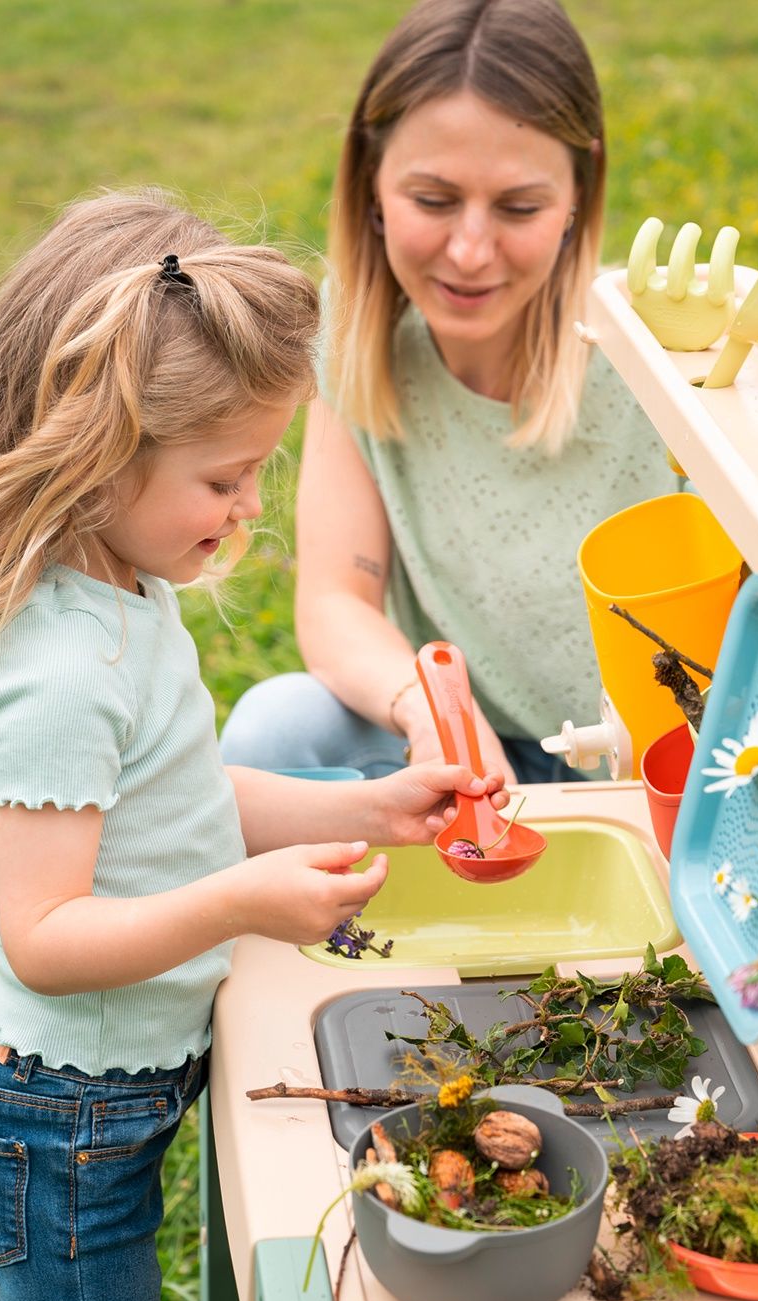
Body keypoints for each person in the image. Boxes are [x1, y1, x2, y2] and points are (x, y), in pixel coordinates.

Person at [0, 190, 501, 1301]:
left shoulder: (126, 589)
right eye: (222, 478)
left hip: (97, 1105)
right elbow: (46, 934)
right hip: (62, 1114)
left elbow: (186, 796)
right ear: (100, 454)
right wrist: (242, 900)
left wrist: (362, 805)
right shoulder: (62, 672)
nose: (250, 507)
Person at [218, 0, 674, 785]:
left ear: (579, 194)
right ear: (372, 182)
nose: (470, 250)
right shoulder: (359, 344)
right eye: (432, 201)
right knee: (276, 731)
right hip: (457, 756)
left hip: (651, 762)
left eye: (519, 207)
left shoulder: (658, 355)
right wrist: (437, 716)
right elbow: (336, 601)